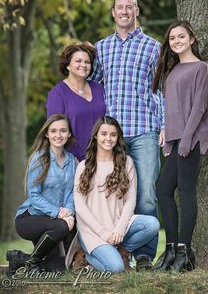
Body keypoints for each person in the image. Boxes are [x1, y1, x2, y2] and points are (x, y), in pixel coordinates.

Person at [91, 0, 164, 270]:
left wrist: (165, 125)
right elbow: (91, 88)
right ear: (113, 12)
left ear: (137, 11)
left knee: (145, 193)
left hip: (144, 130)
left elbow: (161, 89)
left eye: (129, 7)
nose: (124, 11)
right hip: (112, 136)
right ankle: (117, 248)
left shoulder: (153, 47)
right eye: (120, 7)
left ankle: (144, 255)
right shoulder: (101, 48)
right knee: (113, 194)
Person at [152, 20, 208, 272]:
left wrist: (187, 140)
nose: (176, 41)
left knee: (185, 192)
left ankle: (184, 253)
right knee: (163, 190)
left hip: (192, 138)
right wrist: (167, 134)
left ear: (191, 38)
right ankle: (172, 250)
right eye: (172, 38)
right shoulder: (174, 70)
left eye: (181, 37)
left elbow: (200, 107)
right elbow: (171, 108)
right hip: (177, 139)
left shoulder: (202, 68)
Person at [67, 116, 159, 273]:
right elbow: (80, 206)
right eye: (104, 134)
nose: (108, 139)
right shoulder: (84, 166)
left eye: (113, 135)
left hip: (117, 225)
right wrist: (103, 232)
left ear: (118, 137)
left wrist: (119, 230)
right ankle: (86, 256)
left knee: (152, 224)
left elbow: (130, 200)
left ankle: (122, 251)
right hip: (93, 231)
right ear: (96, 135)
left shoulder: (126, 162)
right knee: (116, 268)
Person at [6, 114, 77, 276]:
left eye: (63, 130)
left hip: (55, 222)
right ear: (46, 134)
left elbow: (72, 192)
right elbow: (34, 195)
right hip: (29, 219)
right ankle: (33, 261)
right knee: (62, 225)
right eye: (53, 131)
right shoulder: (39, 158)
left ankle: (19, 258)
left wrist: (69, 211)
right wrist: (59, 213)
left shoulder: (72, 161)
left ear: (69, 134)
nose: (58, 135)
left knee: (56, 269)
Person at [46, 42, 106, 161]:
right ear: (67, 65)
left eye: (87, 62)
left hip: (102, 159)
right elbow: (54, 132)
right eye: (78, 61)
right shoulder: (57, 93)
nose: (83, 65)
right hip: (73, 161)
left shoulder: (99, 89)